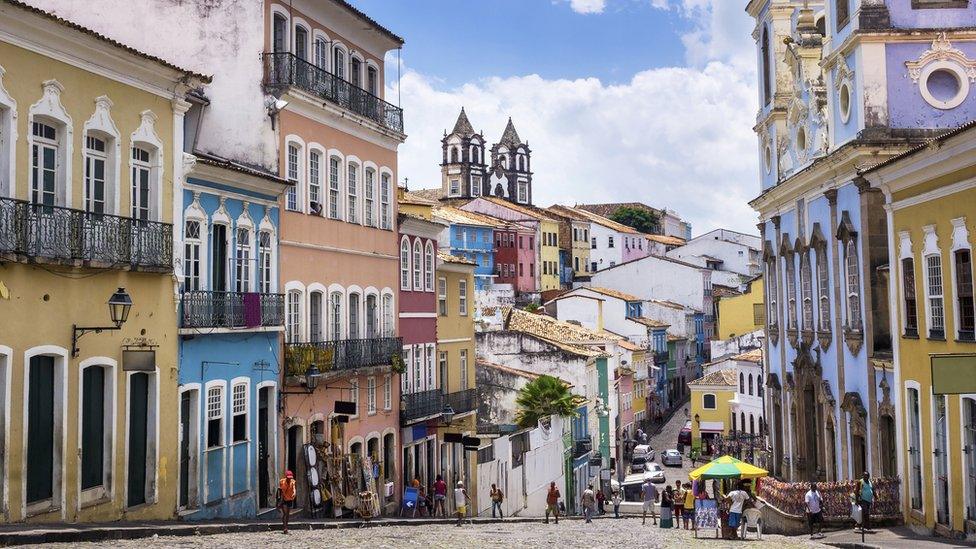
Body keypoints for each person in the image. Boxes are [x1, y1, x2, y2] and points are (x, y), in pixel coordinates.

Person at [276, 470, 297, 534]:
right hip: (283, 499)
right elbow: (280, 491)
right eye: (288, 478)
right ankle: (285, 528)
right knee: (285, 513)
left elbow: (294, 488)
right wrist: (279, 501)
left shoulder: (293, 482)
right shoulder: (282, 482)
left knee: (287, 514)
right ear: (286, 477)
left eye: (290, 478)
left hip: (289, 499)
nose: (289, 479)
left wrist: (294, 493)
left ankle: (286, 526)